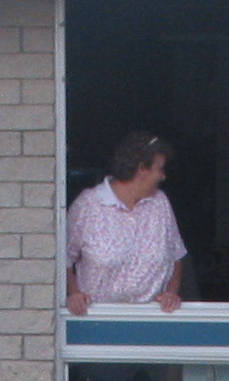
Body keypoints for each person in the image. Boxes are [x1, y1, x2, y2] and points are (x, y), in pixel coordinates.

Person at [65, 131, 187, 315]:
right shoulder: (88, 204)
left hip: (150, 319)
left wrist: (171, 293)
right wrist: (73, 294)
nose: (163, 176)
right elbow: (63, 258)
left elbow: (177, 257)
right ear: (142, 169)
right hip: (96, 318)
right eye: (160, 169)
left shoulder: (160, 203)